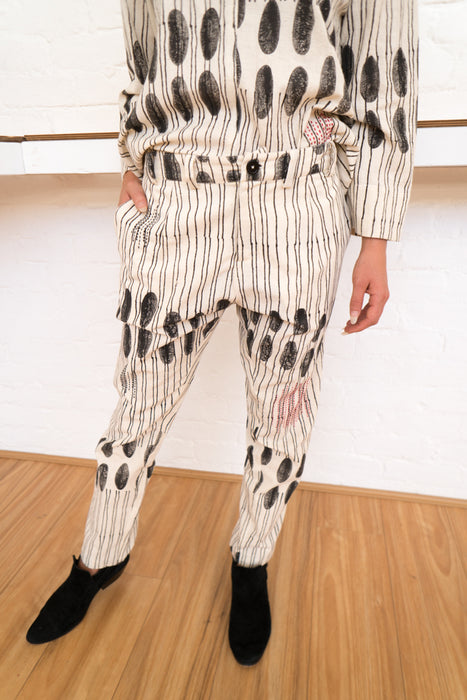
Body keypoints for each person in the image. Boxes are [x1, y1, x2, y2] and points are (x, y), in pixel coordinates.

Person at [27, 0, 418, 666]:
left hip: (297, 201)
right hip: (177, 197)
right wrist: (132, 158)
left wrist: (374, 236)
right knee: (139, 402)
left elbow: (385, 69)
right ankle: (99, 556)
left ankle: (251, 560)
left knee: (282, 409)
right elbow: (142, 42)